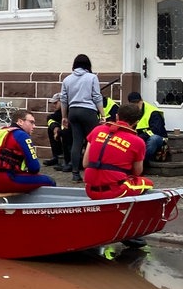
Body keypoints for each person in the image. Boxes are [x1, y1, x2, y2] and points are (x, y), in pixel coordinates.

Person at [83, 102, 154, 200]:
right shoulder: (138, 142)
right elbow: (137, 172)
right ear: (136, 122)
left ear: (117, 116)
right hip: (115, 191)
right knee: (148, 183)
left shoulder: (97, 130)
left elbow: (85, 163)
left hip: (90, 190)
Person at [0, 110, 55, 193]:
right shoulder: (22, 135)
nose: (34, 126)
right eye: (31, 122)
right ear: (20, 121)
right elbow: (35, 168)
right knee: (49, 180)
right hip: (5, 181)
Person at [59, 54, 104, 183]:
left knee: (76, 142)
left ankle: (75, 174)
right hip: (88, 112)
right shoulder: (92, 78)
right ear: (87, 65)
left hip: (73, 111)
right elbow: (97, 96)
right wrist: (102, 114)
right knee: (94, 141)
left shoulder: (67, 79)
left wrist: (64, 117)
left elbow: (63, 99)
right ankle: (95, 171)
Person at [127, 91, 168, 165]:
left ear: (141, 101)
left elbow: (156, 130)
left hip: (157, 138)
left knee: (153, 139)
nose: (136, 105)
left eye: (137, 102)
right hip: (138, 138)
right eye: (133, 104)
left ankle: (142, 162)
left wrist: (140, 137)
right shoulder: (129, 112)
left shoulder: (153, 112)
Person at [43, 93, 72, 170]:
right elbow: (50, 118)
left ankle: (68, 162)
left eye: (55, 103)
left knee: (65, 133)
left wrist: (58, 132)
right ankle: (56, 156)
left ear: (62, 102)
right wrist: (55, 128)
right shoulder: (58, 113)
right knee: (50, 129)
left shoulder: (69, 110)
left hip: (72, 134)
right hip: (65, 132)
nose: (53, 105)